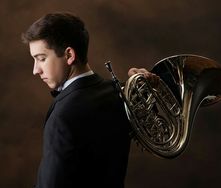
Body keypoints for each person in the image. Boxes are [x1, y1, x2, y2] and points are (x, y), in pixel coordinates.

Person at [22, 12, 158, 188]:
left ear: (69, 55)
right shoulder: (119, 93)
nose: (35, 70)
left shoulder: (62, 116)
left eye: (41, 58)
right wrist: (145, 90)